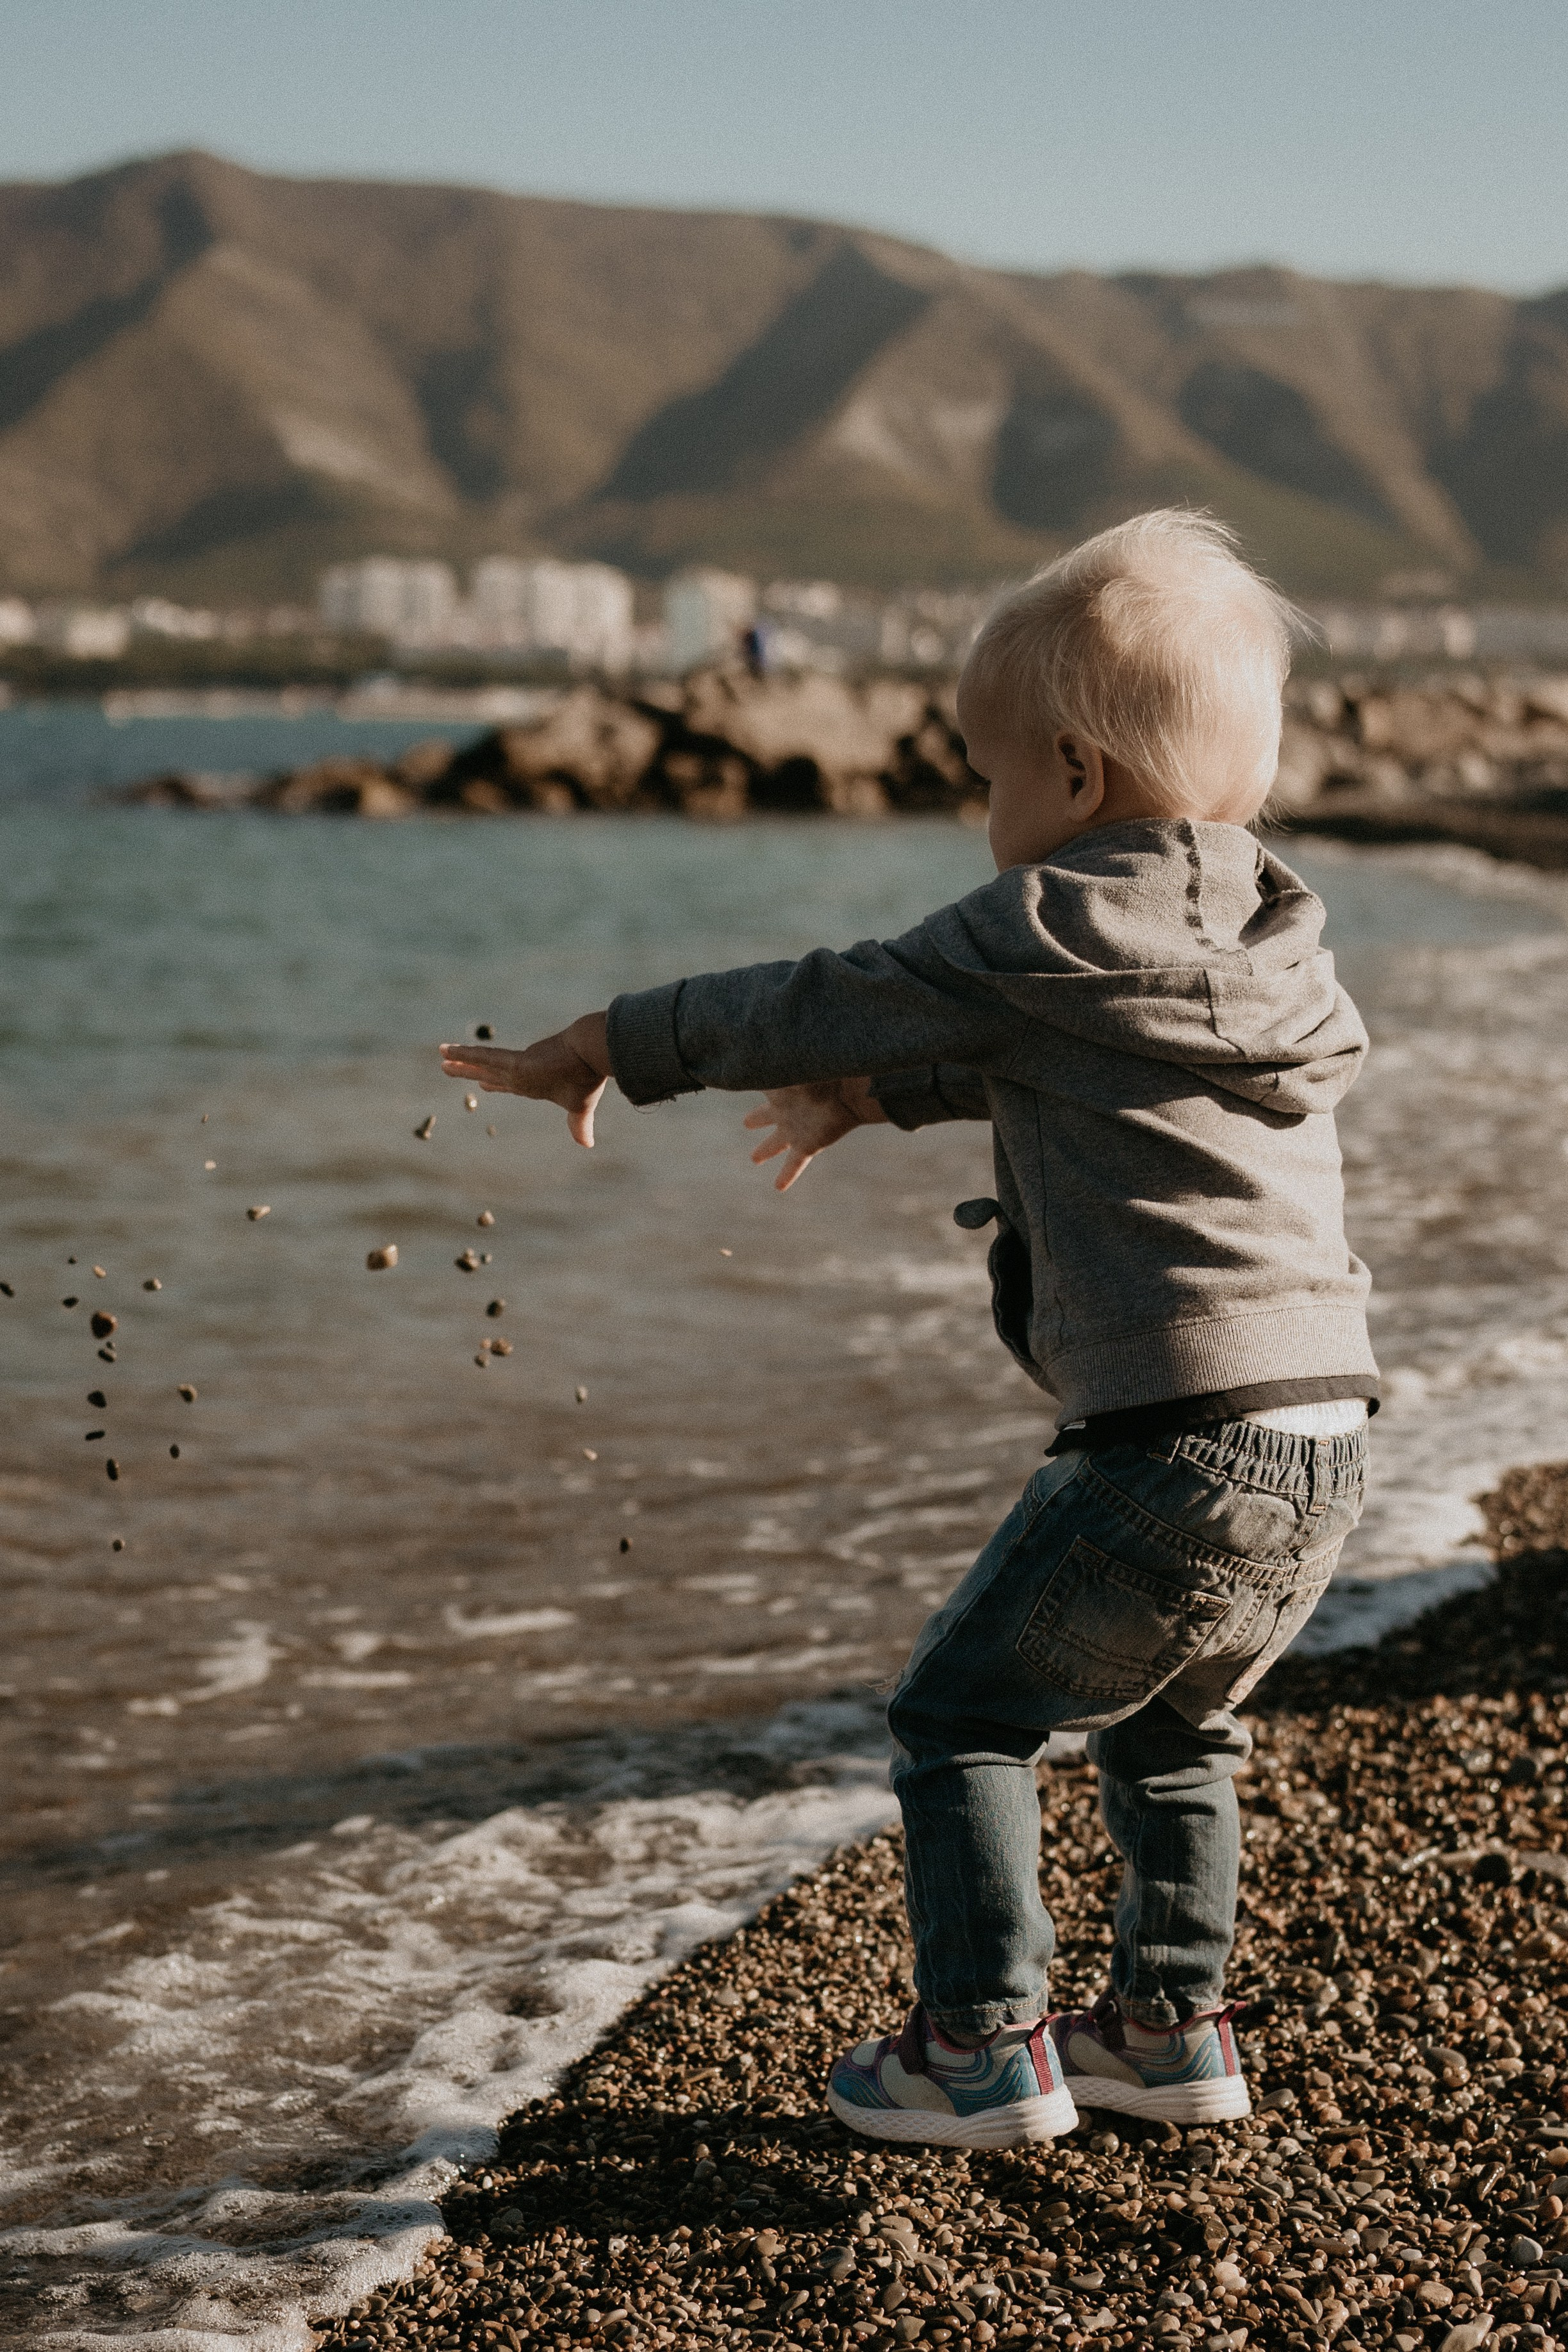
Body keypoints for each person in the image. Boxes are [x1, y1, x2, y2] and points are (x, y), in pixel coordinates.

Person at [439, 511, 1374, 2148]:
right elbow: (1090, 1078)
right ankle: (1168, 2027)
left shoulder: (1040, 921)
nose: (980, 807)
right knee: (1176, 1724)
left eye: (989, 772)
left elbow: (815, 989)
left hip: (1170, 1435)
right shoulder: (1268, 947)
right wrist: (889, 1098)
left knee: (963, 1716)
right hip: (1326, 1434)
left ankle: (981, 2045)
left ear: (1076, 778)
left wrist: (608, 1040)